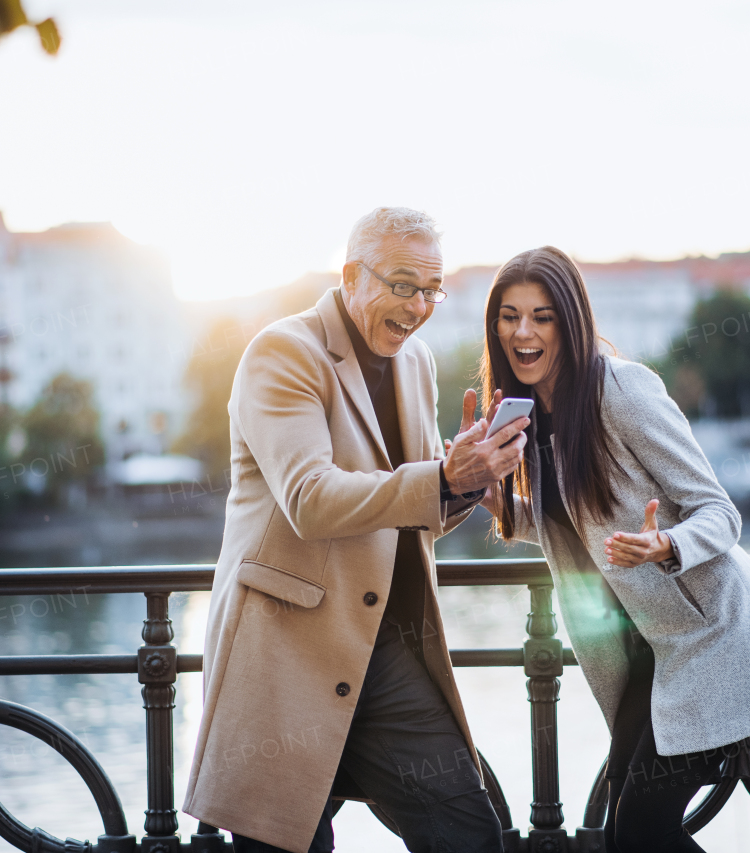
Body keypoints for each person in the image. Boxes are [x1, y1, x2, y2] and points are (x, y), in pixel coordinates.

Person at [183, 207, 528, 853]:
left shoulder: (416, 361)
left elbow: (409, 507)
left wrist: (466, 481)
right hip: (287, 654)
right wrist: (442, 477)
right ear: (351, 275)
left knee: (470, 834)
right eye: (403, 285)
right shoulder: (282, 351)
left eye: (431, 290)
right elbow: (310, 500)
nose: (419, 305)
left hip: (387, 653)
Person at [479, 246, 750, 853]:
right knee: (630, 833)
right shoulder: (528, 418)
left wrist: (666, 544)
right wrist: (496, 501)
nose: (522, 332)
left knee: (637, 832)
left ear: (572, 321)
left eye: (542, 316)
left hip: (711, 642)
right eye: (509, 315)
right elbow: (576, 526)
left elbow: (720, 512)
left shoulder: (622, 390)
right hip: (649, 657)